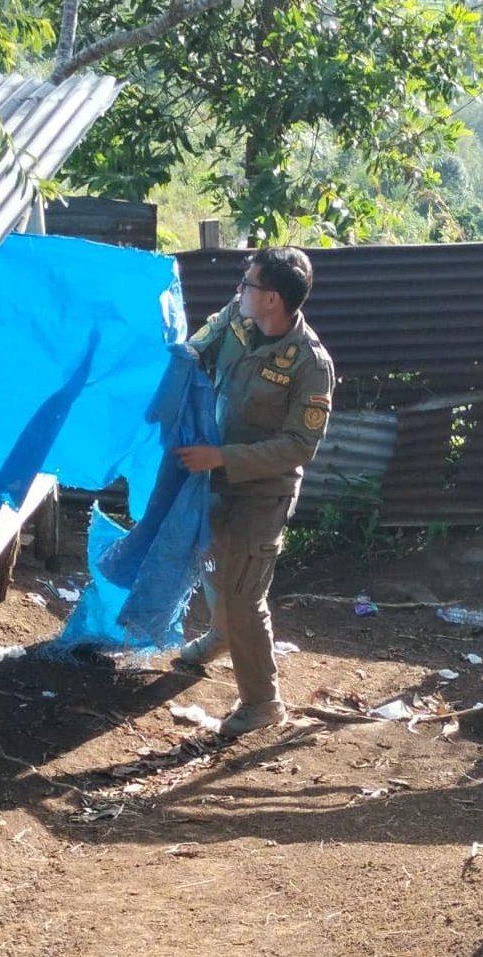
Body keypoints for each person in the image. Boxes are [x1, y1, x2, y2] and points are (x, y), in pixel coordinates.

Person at [174, 246, 335, 738]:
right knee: (214, 562)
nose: (239, 288)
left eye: (248, 283)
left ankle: (263, 703)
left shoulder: (310, 364)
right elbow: (196, 347)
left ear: (271, 299)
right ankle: (222, 636)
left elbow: (299, 446)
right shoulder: (236, 319)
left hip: (264, 491)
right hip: (215, 473)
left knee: (245, 593)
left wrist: (223, 458)